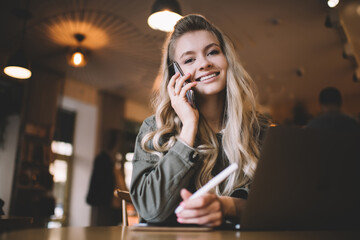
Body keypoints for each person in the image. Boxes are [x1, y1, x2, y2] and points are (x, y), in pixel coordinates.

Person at [130, 14, 268, 227]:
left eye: (212, 52)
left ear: (227, 59)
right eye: (189, 60)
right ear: (176, 74)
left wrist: (228, 206)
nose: (204, 63)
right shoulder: (155, 129)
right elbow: (150, 210)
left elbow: (277, 205)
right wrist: (188, 128)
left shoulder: (258, 129)